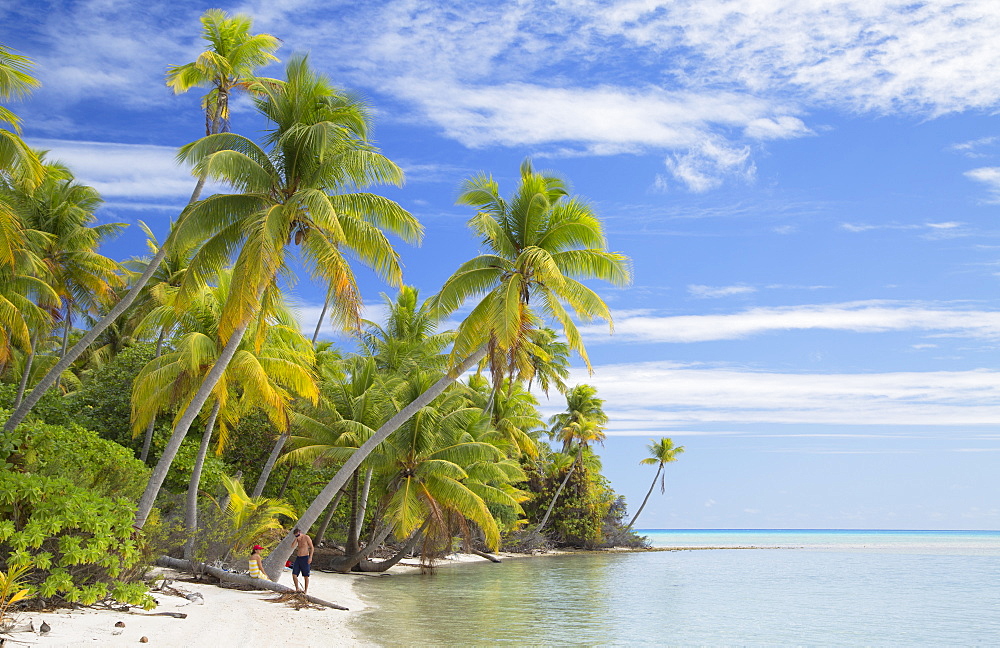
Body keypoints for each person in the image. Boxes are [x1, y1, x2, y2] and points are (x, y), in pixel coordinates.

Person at [291, 527, 314, 594]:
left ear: (300, 533)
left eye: (298, 535)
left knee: (306, 575)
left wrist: (310, 557)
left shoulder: (306, 537)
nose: (297, 536)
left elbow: (312, 548)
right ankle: (297, 588)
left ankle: (305, 590)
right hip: (298, 558)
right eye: (296, 535)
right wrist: (296, 539)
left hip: (305, 557)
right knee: (294, 574)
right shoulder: (297, 539)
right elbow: (292, 546)